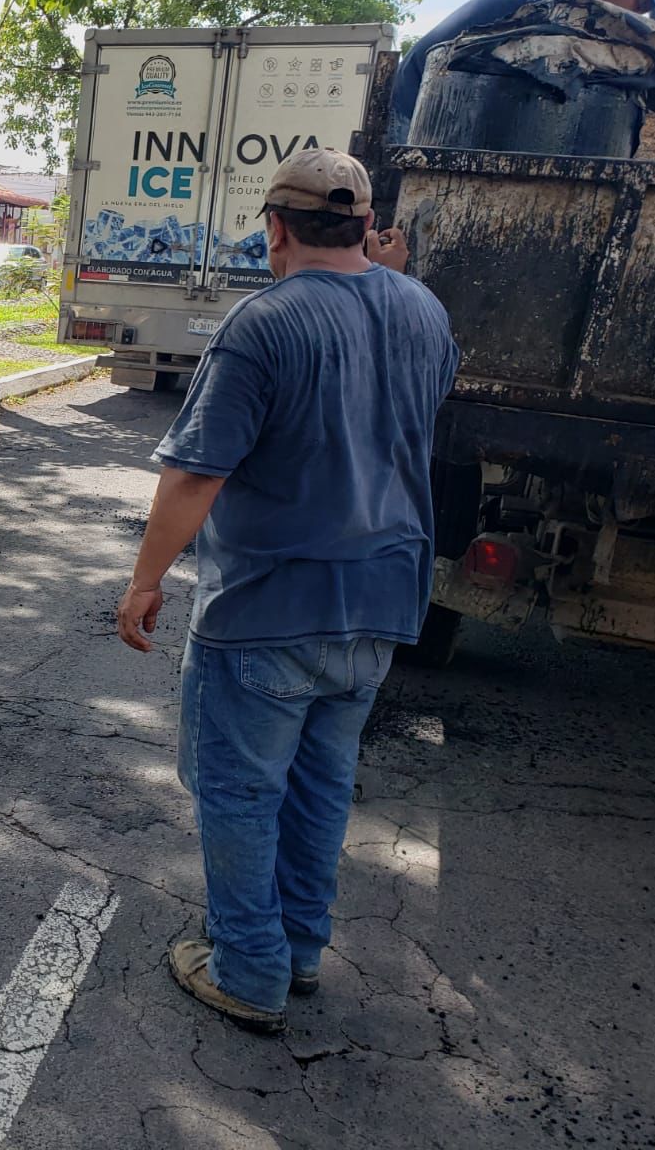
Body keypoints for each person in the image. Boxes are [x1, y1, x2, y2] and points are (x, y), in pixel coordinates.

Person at [115, 149, 459, 1035]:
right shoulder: (423, 310)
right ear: (365, 226)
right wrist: (389, 280)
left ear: (275, 228)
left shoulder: (264, 321)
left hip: (269, 608)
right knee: (320, 787)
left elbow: (197, 473)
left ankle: (249, 970)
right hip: (382, 604)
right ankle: (301, 949)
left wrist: (145, 581)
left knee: (236, 791)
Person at [390, 0, 655, 138]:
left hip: (431, 101)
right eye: (638, 5)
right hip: (412, 104)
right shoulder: (567, 0)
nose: (634, 17)